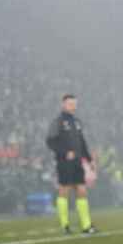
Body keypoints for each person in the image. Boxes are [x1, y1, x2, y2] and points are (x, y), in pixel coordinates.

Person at [45, 94, 96, 234]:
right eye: (70, 104)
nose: (73, 106)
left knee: (82, 190)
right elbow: (50, 141)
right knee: (64, 190)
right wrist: (64, 152)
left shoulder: (77, 122)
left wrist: (90, 159)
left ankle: (86, 226)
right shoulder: (58, 122)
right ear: (63, 105)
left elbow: (82, 142)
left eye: (74, 104)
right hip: (64, 162)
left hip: (78, 162)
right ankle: (65, 226)